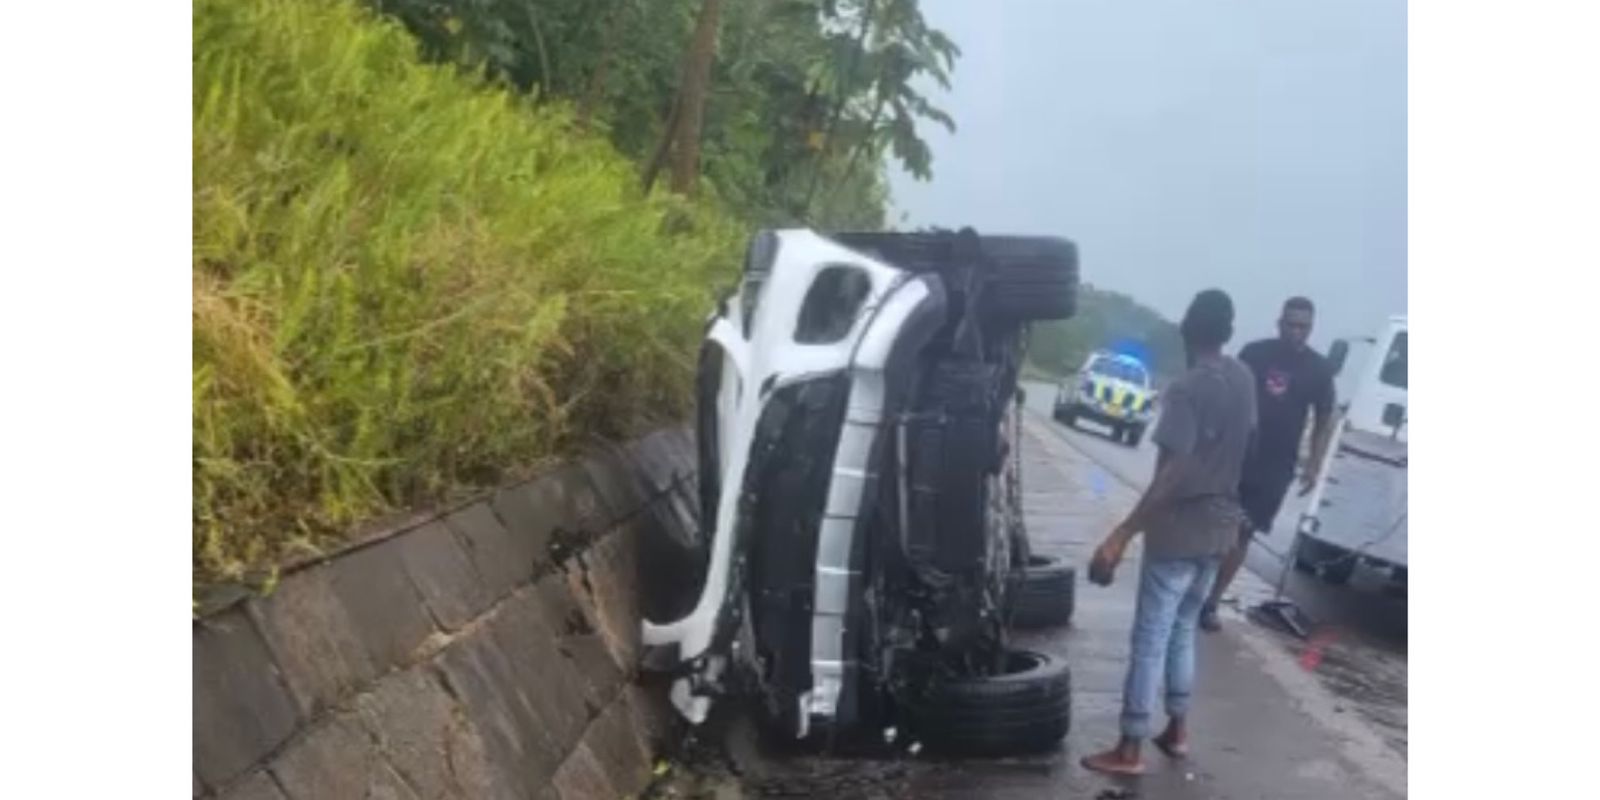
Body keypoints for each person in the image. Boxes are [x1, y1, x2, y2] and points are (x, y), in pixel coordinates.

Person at [1081, 289, 1257, 777]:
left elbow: (1174, 470)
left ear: (1187, 330)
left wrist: (1124, 532)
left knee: (1151, 636)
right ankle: (1177, 731)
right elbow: (1247, 441)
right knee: (1183, 629)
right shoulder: (1244, 378)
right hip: (1222, 529)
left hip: (1180, 529)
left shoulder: (1186, 389)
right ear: (1227, 331)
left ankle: (1130, 747)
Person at [1199, 296, 1336, 632]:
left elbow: (1324, 418)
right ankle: (1190, 587)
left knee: (1243, 532)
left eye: (1303, 326)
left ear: (1311, 328)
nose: (1296, 332)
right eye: (1290, 324)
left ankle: (1211, 602)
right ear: (1279, 323)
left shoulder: (1319, 370)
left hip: (1277, 465)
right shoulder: (1255, 353)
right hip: (1236, 453)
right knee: (1213, 522)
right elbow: (1226, 394)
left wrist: (1314, 463)